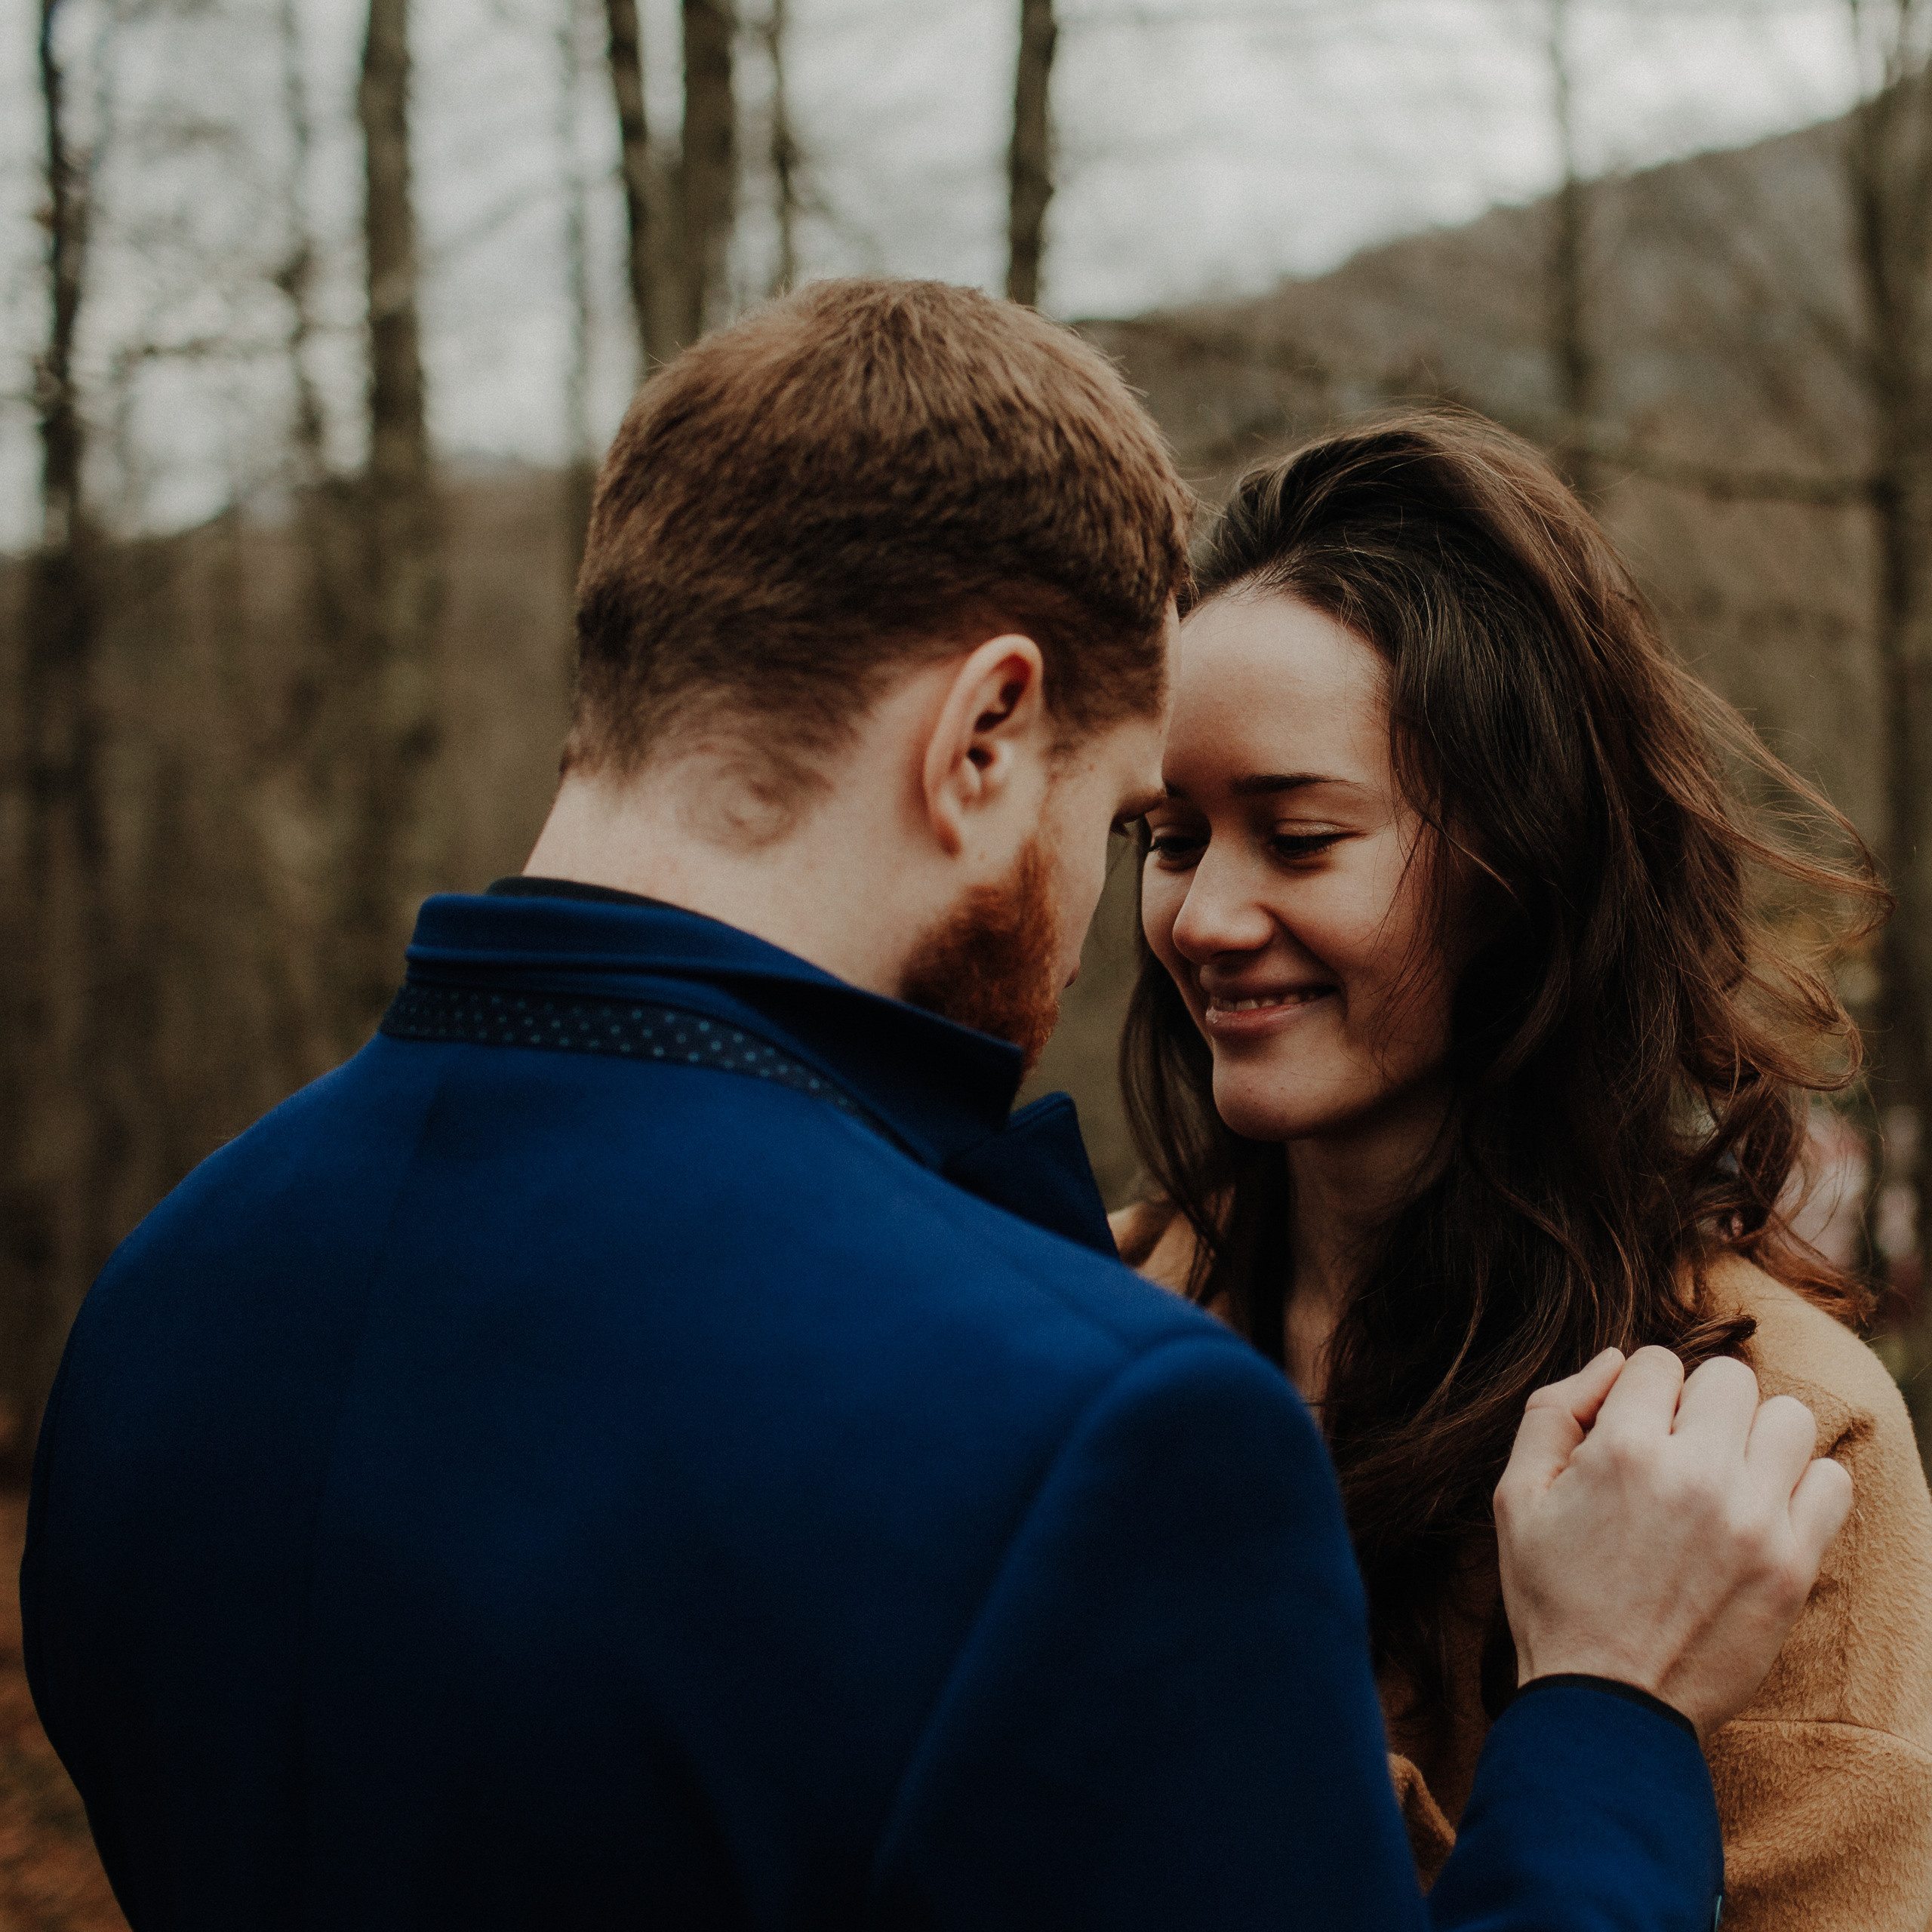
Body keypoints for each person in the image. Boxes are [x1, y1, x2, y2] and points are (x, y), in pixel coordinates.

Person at [23, 285, 1847, 1932]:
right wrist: (1602, 1718)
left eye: (1288, 833)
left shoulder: (169, 1299)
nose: (1153, 919)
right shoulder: (1102, 1433)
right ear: (983, 735)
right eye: (1126, 818)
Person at [1115, 411, 1932, 1929]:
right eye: (1168, 838)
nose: (1204, 916)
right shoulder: (1082, 1310)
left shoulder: (1769, 1424)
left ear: (1519, 866)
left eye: (1298, 836)